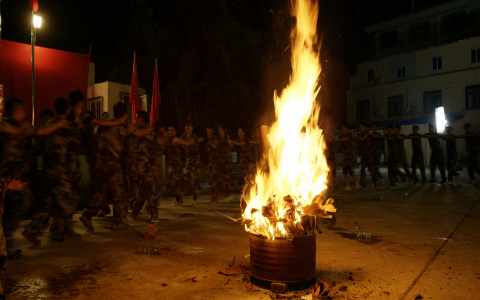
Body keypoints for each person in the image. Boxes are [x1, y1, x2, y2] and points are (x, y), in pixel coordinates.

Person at [0, 97, 67, 243]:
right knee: (22, 204)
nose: (24, 113)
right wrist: (60, 124)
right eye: (22, 110)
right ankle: (5, 237)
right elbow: (42, 130)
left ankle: (6, 237)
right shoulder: (8, 125)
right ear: (16, 111)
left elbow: (42, 131)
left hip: (15, 176)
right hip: (8, 176)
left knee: (19, 204)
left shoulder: (21, 127)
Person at [80, 102, 147, 231]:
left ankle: (87, 215)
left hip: (100, 161)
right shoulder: (123, 126)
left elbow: (95, 136)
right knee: (120, 192)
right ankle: (118, 221)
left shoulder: (106, 125)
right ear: (124, 114)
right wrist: (148, 129)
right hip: (112, 163)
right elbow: (138, 133)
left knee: (101, 192)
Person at [128, 111, 158, 222]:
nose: (135, 120)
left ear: (142, 119)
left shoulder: (148, 132)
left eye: (136, 118)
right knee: (149, 190)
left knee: (140, 191)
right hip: (140, 166)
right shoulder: (142, 131)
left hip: (139, 166)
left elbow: (154, 146)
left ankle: (134, 213)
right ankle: (154, 215)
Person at [165, 126, 195, 206]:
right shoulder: (167, 139)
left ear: (176, 132)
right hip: (171, 164)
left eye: (172, 130)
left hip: (177, 164)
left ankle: (179, 199)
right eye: (169, 130)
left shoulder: (176, 139)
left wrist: (192, 142)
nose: (170, 131)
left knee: (175, 183)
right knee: (168, 183)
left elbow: (187, 143)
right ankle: (178, 196)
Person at [148, 121, 168, 210]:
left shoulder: (154, 135)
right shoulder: (155, 135)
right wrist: (164, 135)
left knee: (149, 188)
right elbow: (160, 142)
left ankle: (150, 204)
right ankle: (152, 204)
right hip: (154, 165)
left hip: (153, 165)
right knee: (161, 187)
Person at [181, 122, 202, 203]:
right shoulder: (183, 136)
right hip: (188, 160)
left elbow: (190, 143)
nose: (187, 129)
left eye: (189, 128)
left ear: (192, 129)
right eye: (186, 128)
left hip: (196, 160)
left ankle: (195, 196)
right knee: (186, 177)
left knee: (194, 180)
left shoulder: (194, 137)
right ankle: (191, 191)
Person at [355, 122, 376, 189]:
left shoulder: (367, 133)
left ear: (364, 127)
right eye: (359, 127)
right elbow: (355, 140)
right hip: (363, 155)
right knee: (362, 170)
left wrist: (353, 136)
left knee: (371, 169)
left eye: (361, 126)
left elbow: (362, 139)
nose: (360, 128)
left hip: (369, 154)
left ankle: (374, 182)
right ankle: (363, 185)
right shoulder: (359, 134)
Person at [336, 124, 358, 190]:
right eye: (342, 129)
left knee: (351, 171)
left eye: (344, 128)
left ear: (347, 129)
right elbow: (337, 142)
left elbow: (345, 139)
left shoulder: (350, 135)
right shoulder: (341, 136)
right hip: (345, 156)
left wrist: (337, 140)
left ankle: (356, 181)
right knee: (344, 171)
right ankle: (348, 185)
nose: (342, 130)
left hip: (350, 156)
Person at [217, 125, 233, 201]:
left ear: (224, 131)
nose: (219, 132)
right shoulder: (219, 140)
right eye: (218, 130)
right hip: (221, 162)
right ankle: (226, 195)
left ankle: (228, 195)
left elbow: (231, 144)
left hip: (226, 162)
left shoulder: (227, 139)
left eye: (221, 130)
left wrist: (228, 140)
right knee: (222, 179)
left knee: (226, 179)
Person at [204, 124, 220, 201]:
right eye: (207, 131)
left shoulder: (214, 138)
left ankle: (214, 196)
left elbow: (216, 146)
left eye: (210, 131)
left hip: (215, 162)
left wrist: (212, 144)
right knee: (208, 179)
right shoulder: (207, 138)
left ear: (212, 131)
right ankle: (217, 191)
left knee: (213, 178)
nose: (208, 133)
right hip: (210, 162)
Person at [323, 126, 338, 191]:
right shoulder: (325, 139)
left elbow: (330, 141)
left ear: (331, 132)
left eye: (329, 131)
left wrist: (324, 138)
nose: (327, 132)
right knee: (328, 173)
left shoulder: (332, 139)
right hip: (326, 158)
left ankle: (335, 186)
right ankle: (330, 185)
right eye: (327, 131)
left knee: (333, 173)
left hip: (332, 158)